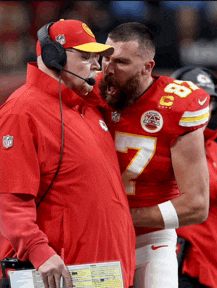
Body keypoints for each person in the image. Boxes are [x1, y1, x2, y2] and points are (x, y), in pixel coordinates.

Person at [0, 19, 136, 288]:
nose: (97, 66)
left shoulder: (85, 107)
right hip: (61, 273)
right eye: (87, 57)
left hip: (105, 273)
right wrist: (39, 253)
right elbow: (9, 197)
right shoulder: (21, 112)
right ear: (54, 57)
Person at [90, 22, 210, 288]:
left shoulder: (176, 107)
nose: (108, 69)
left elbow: (197, 206)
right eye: (105, 58)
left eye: (121, 61)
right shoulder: (88, 89)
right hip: (97, 234)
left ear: (147, 67)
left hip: (150, 236)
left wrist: (120, 215)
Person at [170, 66, 217, 288]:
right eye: (194, 98)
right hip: (177, 268)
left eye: (207, 101)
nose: (201, 107)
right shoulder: (158, 147)